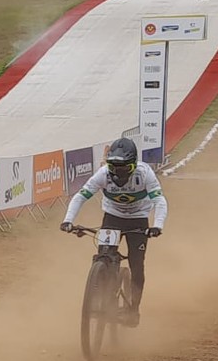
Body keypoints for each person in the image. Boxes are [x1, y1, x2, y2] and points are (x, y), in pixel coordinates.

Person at [60, 137, 167, 328]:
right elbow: (80, 196)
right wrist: (68, 220)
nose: (118, 172)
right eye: (114, 167)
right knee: (103, 256)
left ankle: (134, 308)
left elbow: (159, 200)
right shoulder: (102, 174)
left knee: (136, 264)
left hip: (138, 219)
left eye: (124, 168)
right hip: (113, 217)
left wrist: (157, 225)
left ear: (134, 165)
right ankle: (100, 288)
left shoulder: (145, 174)